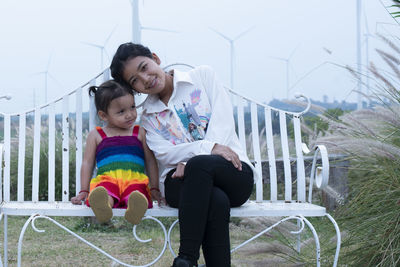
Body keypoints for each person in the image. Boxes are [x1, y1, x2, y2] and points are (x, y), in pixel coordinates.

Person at [110, 43, 255, 267]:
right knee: (215, 199)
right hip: (180, 184)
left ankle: (186, 258)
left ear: (155, 58)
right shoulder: (149, 117)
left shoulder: (203, 77)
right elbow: (166, 154)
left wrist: (192, 159)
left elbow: (223, 124)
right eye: (135, 80)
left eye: (144, 67)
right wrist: (204, 152)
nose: (145, 79)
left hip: (232, 171)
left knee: (200, 167)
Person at [71, 80, 164, 225]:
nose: (130, 115)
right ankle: (104, 207)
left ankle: (135, 208)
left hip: (135, 179)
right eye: (121, 111)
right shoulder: (97, 135)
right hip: (107, 179)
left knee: (137, 192)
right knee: (104, 192)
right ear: (103, 115)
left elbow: (150, 161)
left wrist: (154, 188)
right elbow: (87, 163)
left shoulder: (139, 132)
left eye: (132, 107)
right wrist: (84, 190)